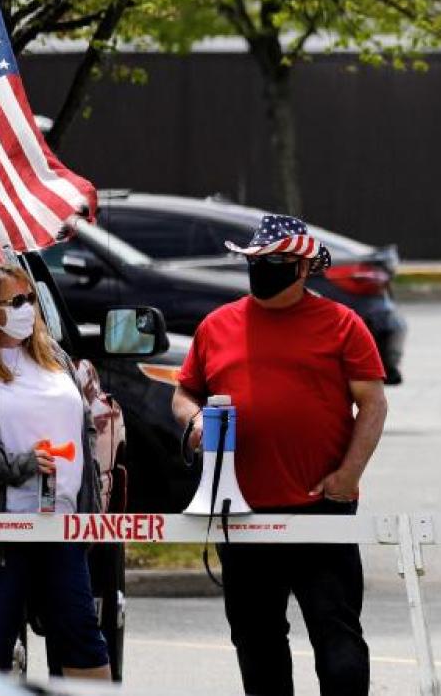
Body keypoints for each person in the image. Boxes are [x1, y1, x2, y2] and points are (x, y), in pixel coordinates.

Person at [172, 214, 388, 696]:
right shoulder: (216, 326)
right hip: (242, 513)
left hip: (321, 509)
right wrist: (193, 423)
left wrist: (348, 474)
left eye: (274, 261)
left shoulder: (342, 324)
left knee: (338, 642)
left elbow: (373, 402)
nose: (262, 269)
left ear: (303, 268)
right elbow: (185, 392)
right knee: (256, 640)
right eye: (256, 260)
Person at [0, 260, 110, 680]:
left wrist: (86, 489)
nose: (27, 308)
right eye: (15, 300)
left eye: (30, 298)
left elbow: (86, 424)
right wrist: (20, 464)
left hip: (62, 525)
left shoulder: (52, 353)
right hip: (1, 534)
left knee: (83, 643)